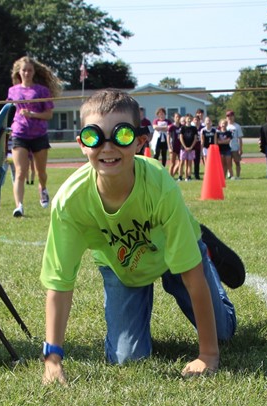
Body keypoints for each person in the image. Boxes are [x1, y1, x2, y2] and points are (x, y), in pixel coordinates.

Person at [40, 89, 241, 385]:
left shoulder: (160, 185)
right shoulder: (70, 202)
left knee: (223, 333)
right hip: (124, 269)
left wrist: (208, 354)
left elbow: (191, 274)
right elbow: (59, 282)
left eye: (120, 135)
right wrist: (52, 358)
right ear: (82, 143)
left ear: (139, 140)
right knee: (127, 358)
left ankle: (201, 246)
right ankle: (189, 240)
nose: (107, 147)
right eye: (95, 136)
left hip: (174, 258)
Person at [7, 56, 61, 217]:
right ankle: (19, 206)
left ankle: (42, 189)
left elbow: (48, 115)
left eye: (30, 70)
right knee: (20, 171)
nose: (27, 73)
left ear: (34, 71)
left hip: (39, 134)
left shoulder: (42, 91)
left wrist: (32, 114)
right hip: (19, 133)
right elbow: (9, 110)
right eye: (24, 70)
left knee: (40, 172)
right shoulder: (13, 91)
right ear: (19, 72)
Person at [178, 113, 198, 181]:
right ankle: (180, 176)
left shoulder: (194, 128)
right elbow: (181, 137)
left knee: (189, 163)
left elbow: (195, 138)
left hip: (191, 148)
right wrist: (185, 146)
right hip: (183, 148)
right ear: (185, 119)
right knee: (182, 162)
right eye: (187, 118)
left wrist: (191, 147)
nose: (189, 119)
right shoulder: (183, 128)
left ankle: (188, 176)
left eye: (190, 118)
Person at [226, 110, 243, 180]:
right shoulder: (225, 126)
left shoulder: (237, 126)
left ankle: (238, 176)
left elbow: (240, 138)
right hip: (226, 147)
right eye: (228, 116)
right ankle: (230, 174)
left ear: (233, 116)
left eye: (231, 116)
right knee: (228, 163)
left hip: (235, 147)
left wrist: (240, 148)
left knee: (237, 162)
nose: (229, 117)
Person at [167, 112, 182, 178]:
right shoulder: (171, 127)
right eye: (176, 117)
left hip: (180, 146)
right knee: (172, 163)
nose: (178, 118)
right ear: (174, 118)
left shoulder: (182, 126)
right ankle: (169, 177)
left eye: (179, 117)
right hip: (173, 146)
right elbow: (168, 137)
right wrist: (169, 147)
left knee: (181, 162)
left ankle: (172, 175)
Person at [193, 109, 205, 179]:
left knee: (203, 160)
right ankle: (195, 174)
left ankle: (206, 174)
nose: (196, 121)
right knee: (195, 161)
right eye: (195, 120)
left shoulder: (202, 128)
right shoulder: (192, 127)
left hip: (202, 145)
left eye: (197, 120)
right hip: (194, 145)